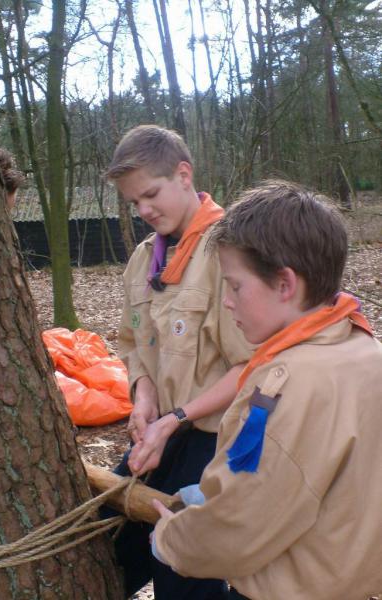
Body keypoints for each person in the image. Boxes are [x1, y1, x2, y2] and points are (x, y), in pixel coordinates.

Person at [152, 180, 382, 600]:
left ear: (284, 284)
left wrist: (171, 540)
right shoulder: (366, 350)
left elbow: (241, 522)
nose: (227, 301)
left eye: (235, 285)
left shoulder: (288, 386)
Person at [105, 125, 252, 600]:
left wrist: (176, 419)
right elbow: (134, 343)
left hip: (217, 438)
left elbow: (251, 366)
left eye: (151, 194)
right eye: (134, 203)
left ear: (184, 175)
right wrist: (143, 399)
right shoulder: (143, 258)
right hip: (161, 432)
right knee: (108, 539)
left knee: (182, 572)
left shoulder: (231, 252)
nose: (144, 211)